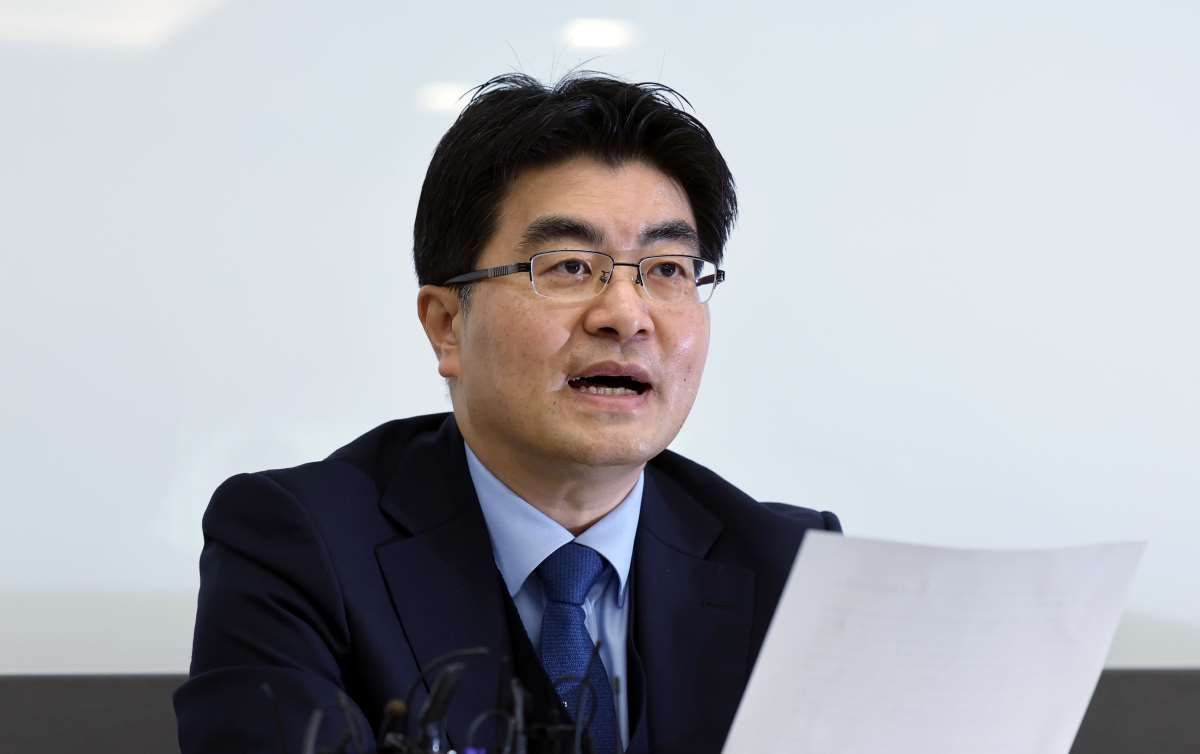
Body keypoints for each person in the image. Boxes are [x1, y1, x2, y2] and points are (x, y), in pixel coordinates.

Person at [174, 72, 842, 754]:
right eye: (569, 266)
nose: (626, 315)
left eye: (668, 269)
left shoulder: (795, 570)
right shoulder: (300, 548)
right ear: (446, 325)